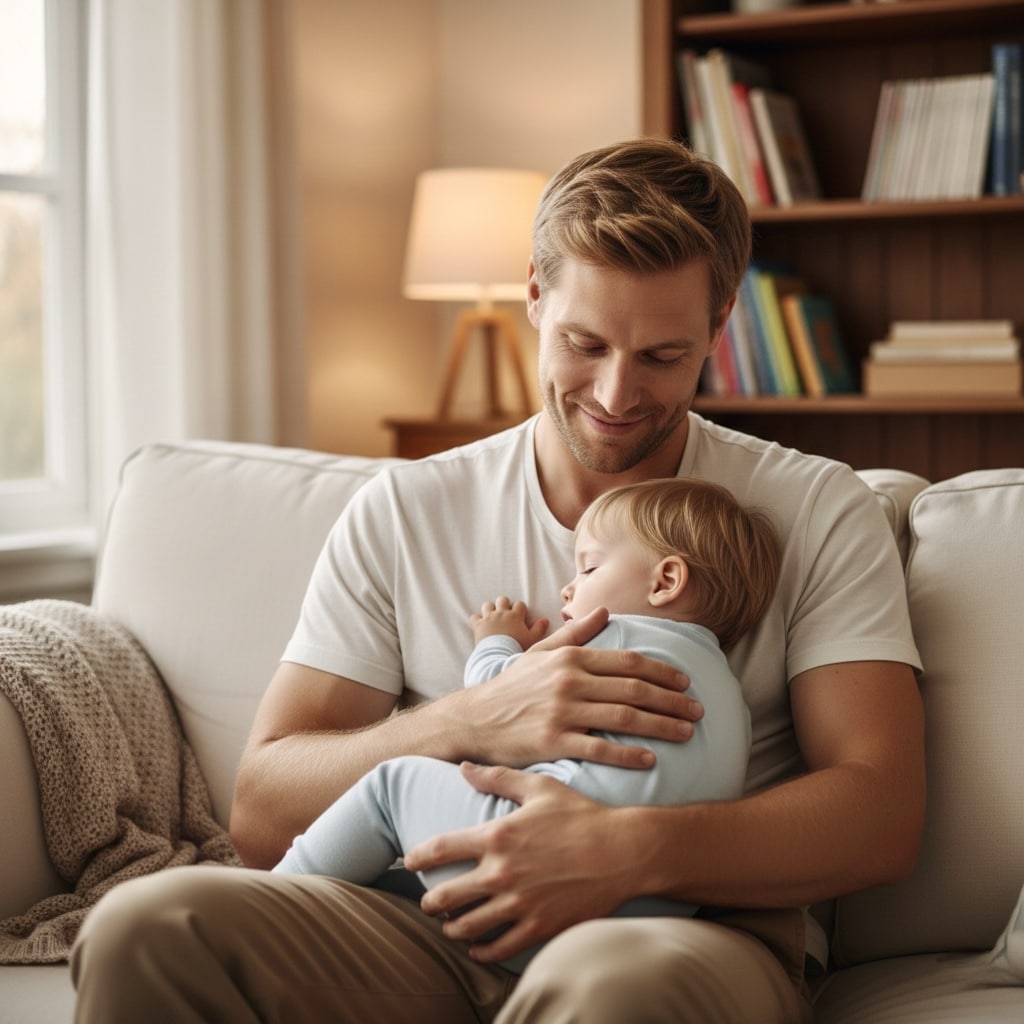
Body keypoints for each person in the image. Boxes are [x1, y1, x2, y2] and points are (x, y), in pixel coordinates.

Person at [71, 138, 925, 1024]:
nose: (616, 394)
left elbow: (884, 813)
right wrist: (472, 718)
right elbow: (262, 809)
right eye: (584, 344)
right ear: (534, 295)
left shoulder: (813, 508)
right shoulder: (407, 509)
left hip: (685, 927)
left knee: (612, 989)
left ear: (718, 329)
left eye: (663, 356)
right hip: (425, 921)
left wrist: (628, 848)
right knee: (145, 925)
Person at [271, 478, 781, 972]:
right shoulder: (733, 703)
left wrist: (496, 642)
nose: (568, 587)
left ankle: (274, 895)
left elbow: (496, 694)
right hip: (635, 927)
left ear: (664, 582)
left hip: (528, 873)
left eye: (590, 567)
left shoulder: (619, 635)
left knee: (391, 786)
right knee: (398, 881)